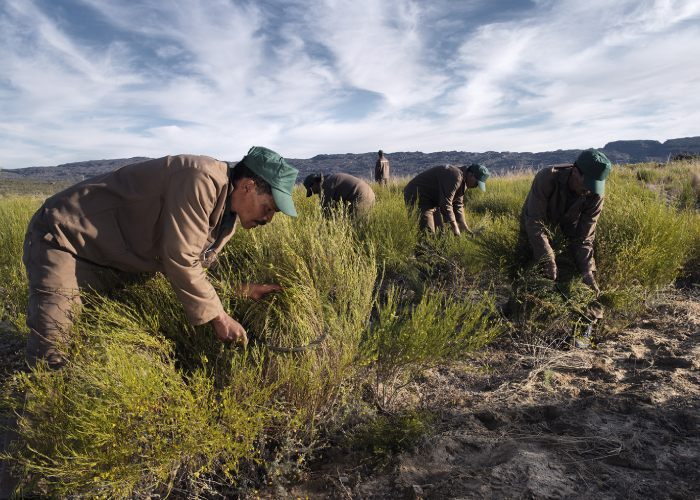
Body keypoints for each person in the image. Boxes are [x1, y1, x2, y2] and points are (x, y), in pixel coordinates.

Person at [22, 146, 299, 369]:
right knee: (53, 348)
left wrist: (241, 291)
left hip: (113, 256)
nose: (268, 218)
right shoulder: (200, 178)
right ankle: (30, 426)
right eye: (270, 207)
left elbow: (195, 267)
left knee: (94, 338)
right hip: (64, 238)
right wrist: (220, 318)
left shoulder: (228, 215)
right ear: (248, 186)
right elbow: (180, 258)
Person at [518, 149, 612, 295]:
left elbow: (584, 238)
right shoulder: (547, 178)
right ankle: (516, 307)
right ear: (575, 172)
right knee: (525, 265)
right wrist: (547, 257)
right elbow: (534, 221)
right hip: (534, 224)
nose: (589, 190)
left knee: (569, 272)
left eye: (594, 186)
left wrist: (587, 271)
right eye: (587, 183)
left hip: (566, 229)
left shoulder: (595, 194)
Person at [403, 163, 490, 235]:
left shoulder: (464, 182)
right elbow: (446, 204)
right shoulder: (455, 176)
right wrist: (455, 227)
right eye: (477, 183)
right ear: (471, 175)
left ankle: (437, 252)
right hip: (418, 196)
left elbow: (458, 205)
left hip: (433, 201)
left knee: (441, 232)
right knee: (428, 232)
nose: (476, 186)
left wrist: (463, 226)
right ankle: (423, 254)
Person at [303, 172, 376, 216]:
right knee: (358, 221)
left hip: (361, 196)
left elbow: (325, 211)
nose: (314, 193)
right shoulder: (328, 179)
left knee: (355, 226)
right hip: (368, 193)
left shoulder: (325, 186)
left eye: (311, 190)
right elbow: (339, 206)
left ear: (314, 184)